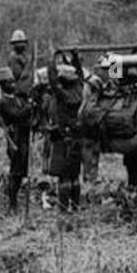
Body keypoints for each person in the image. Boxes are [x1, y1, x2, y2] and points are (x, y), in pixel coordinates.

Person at [44, 54, 85, 213]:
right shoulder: (79, 90)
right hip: (76, 139)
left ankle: (62, 209)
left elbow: (52, 80)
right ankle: (74, 207)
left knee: (64, 177)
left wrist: (51, 61)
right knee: (75, 177)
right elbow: (80, 76)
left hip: (63, 139)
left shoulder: (62, 95)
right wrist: (75, 57)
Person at [0, 66, 32, 213]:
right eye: (9, 83)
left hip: (23, 137)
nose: (12, 85)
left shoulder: (17, 98)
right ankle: (12, 203)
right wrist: (29, 106)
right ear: (3, 85)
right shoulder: (4, 102)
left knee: (21, 170)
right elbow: (16, 116)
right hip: (15, 139)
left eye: (13, 81)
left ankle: (15, 199)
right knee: (15, 171)